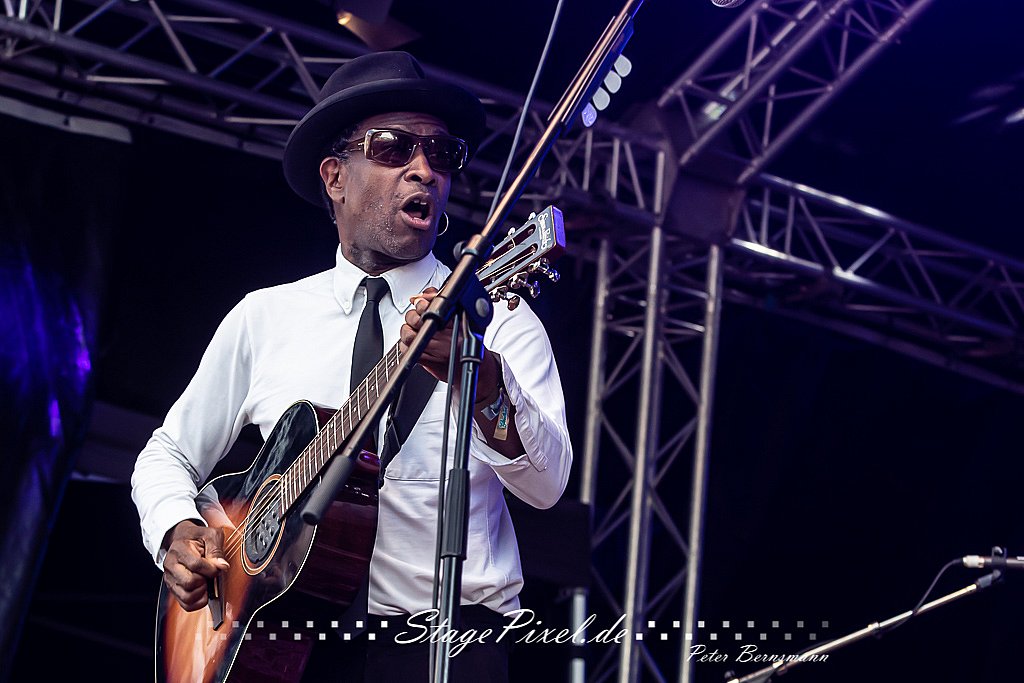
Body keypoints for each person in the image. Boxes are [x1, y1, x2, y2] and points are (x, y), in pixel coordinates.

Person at [131, 51, 573, 681]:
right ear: (335, 177)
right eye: (394, 148)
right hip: (285, 643)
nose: (423, 170)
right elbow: (167, 453)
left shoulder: (496, 319)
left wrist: (481, 385)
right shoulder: (267, 316)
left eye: (441, 153)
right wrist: (176, 527)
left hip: (445, 646)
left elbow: (548, 485)